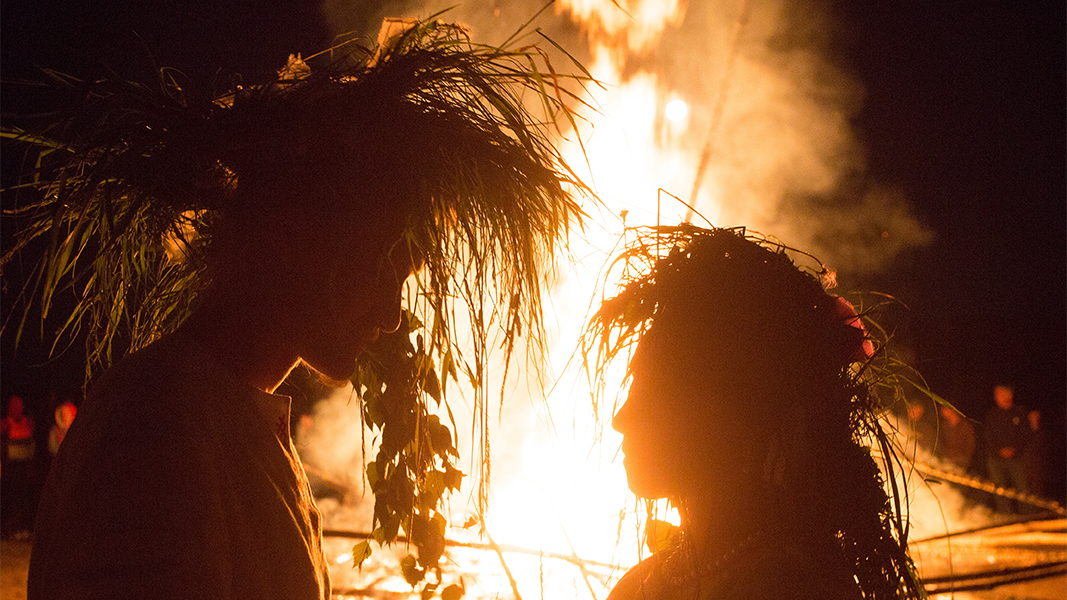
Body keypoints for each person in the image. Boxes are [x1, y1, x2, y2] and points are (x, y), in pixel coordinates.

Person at [24, 22, 583, 600]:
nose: (392, 315)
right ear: (293, 238)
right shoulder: (155, 425)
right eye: (383, 269)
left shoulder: (237, 422)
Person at [587, 226, 924, 599]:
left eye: (654, 396)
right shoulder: (642, 583)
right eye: (635, 388)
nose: (621, 419)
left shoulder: (788, 587)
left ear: (727, 420)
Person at [981, 384, 1033, 514]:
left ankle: (1027, 516)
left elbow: (1026, 434)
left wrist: (1014, 449)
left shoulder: (1019, 413)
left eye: (1002, 394)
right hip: (996, 459)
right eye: (997, 394)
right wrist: (999, 450)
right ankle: (1006, 517)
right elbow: (987, 437)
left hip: (1016, 458)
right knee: (999, 490)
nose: (999, 397)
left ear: (1010, 395)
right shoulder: (992, 414)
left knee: (1022, 490)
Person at [1, 395, 36, 540]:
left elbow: (32, 444)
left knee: (24, 499)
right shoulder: (5, 424)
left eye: (20, 405)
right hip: (11, 467)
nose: (18, 408)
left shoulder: (27, 423)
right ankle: (10, 529)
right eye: (14, 405)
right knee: (12, 499)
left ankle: (22, 528)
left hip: (25, 466)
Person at [937, 404, 976, 473]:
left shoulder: (965, 426)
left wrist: (964, 461)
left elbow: (970, 446)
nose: (942, 411)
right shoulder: (944, 425)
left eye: (945, 408)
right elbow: (942, 443)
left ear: (952, 410)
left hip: (960, 464)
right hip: (946, 461)